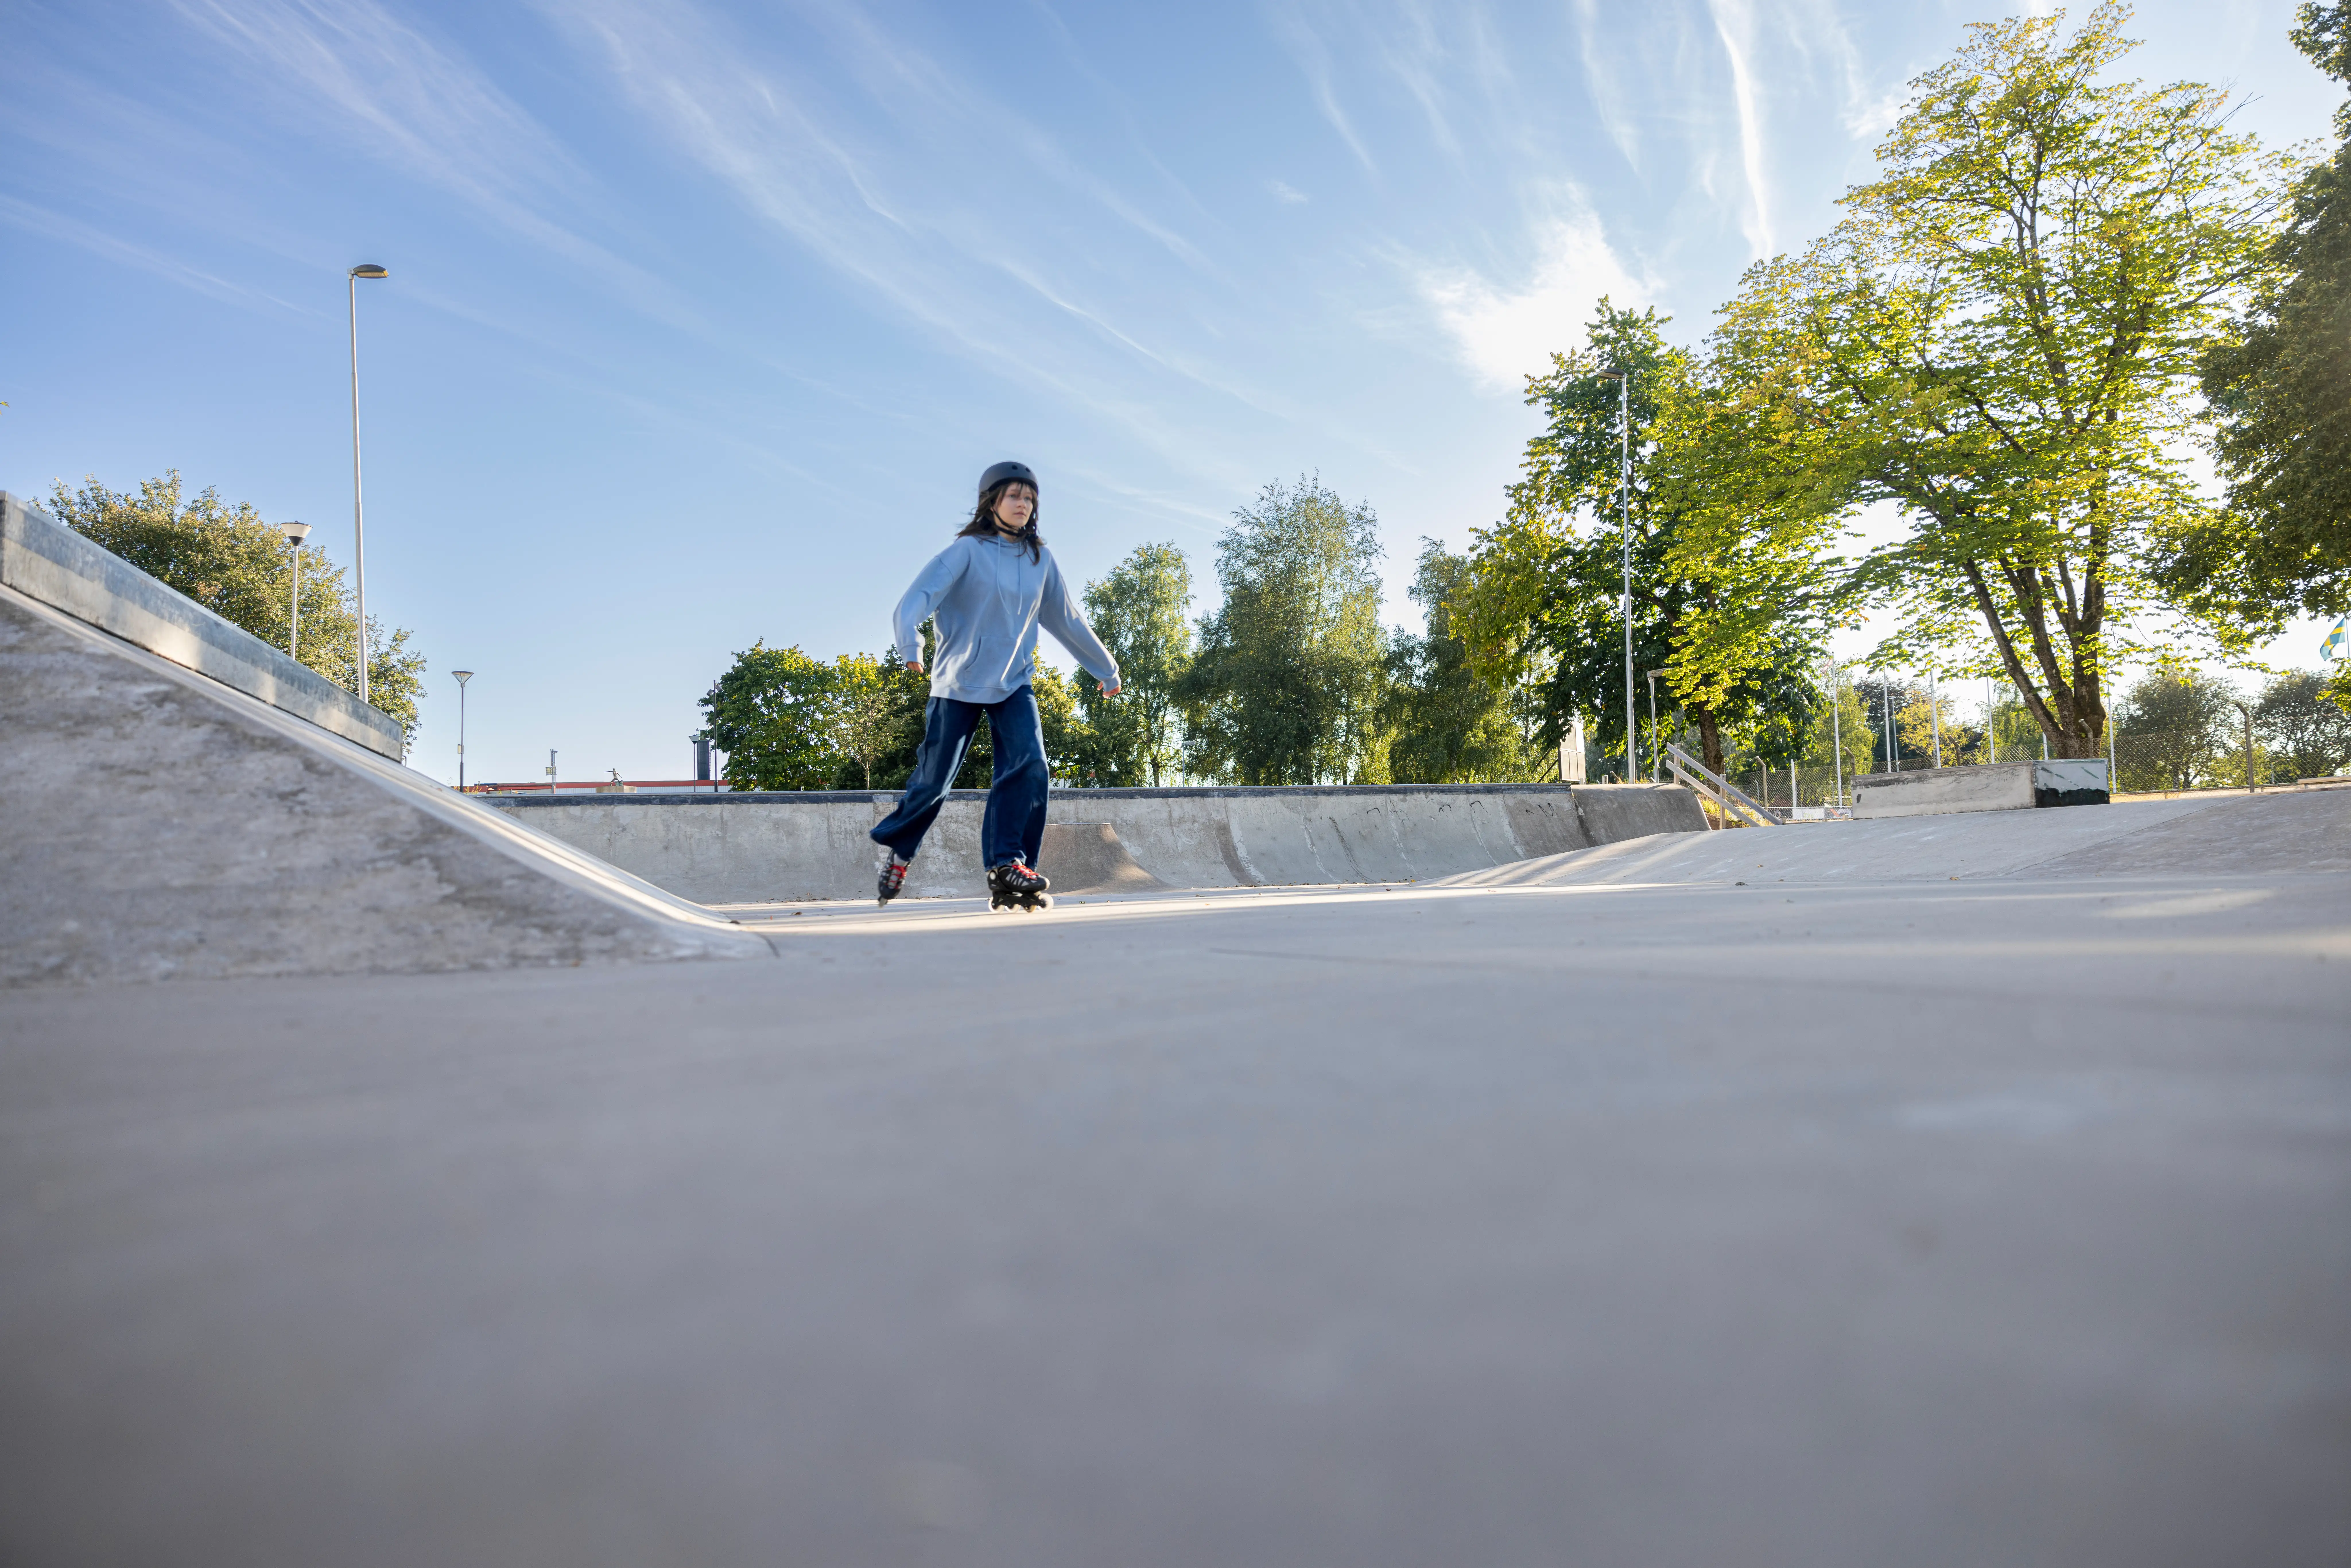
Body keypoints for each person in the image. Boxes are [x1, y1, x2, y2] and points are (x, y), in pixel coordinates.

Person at [870, 460, 1121, 908]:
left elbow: (1067, 620)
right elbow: (916, 600)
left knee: (1031, 765)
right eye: (1014, 496)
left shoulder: (1041, 560)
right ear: (992, 502)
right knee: (934, 782)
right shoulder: (966, 551)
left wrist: (1106, 669)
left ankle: (1009, 862)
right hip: (957, 682)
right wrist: (911, 646)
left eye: (1029, 498)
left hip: (1014, 683)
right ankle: (903, 850)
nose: (1023, 504)